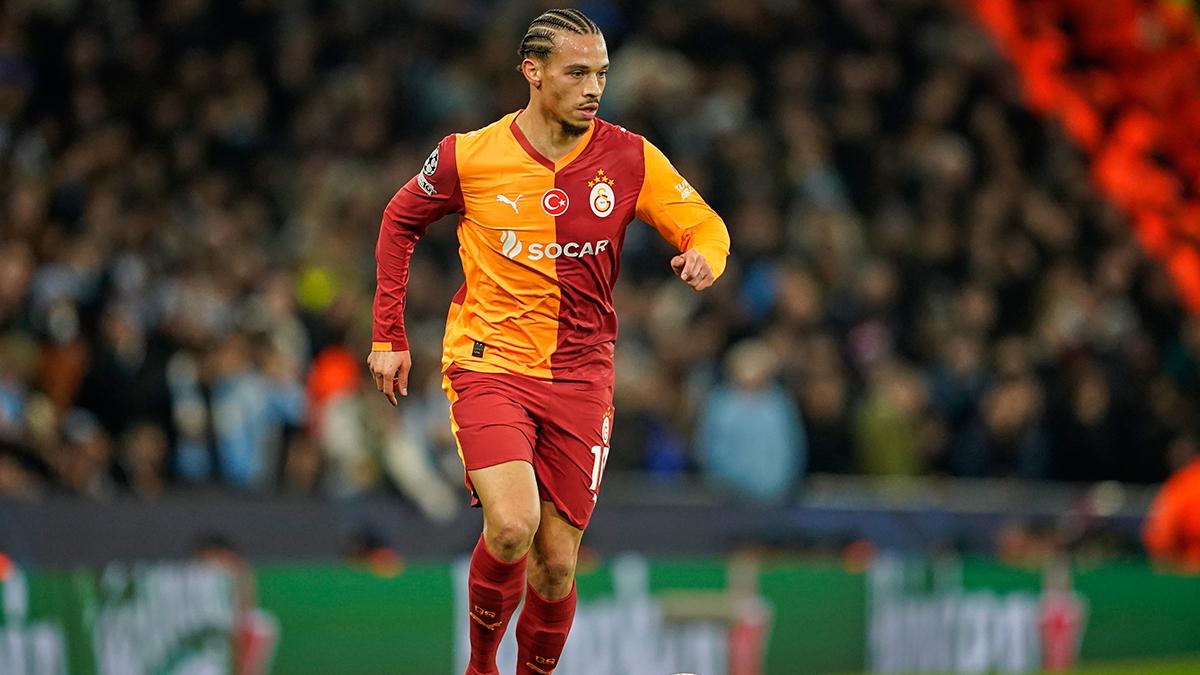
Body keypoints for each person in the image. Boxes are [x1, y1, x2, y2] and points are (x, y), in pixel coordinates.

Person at [366, 8, 730, 674]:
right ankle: (481, 666)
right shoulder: (470, 155)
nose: (594, 89)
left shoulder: (630, 157)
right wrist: (389, 332)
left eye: (602, 74)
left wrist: (707, 254)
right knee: (511, 525)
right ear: (532, 72)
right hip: (489, 363)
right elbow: (399, 219)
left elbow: (704, 222)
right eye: (577, 73)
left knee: (557, 565)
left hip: (582, 376)